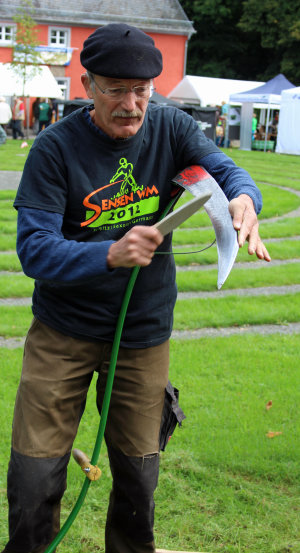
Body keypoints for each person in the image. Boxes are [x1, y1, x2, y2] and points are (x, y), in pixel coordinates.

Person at [2, 23, 271, 553]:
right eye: (114, 89)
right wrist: (110, 252)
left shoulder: (171, 129)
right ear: (87, 86)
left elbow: (225, 170)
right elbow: (33, 249)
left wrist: (244, 200)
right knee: (35, 472)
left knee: (137, 471)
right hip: (64, 330)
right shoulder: (55, 149)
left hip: (142, 331)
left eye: (141, 90)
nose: (130, 103)